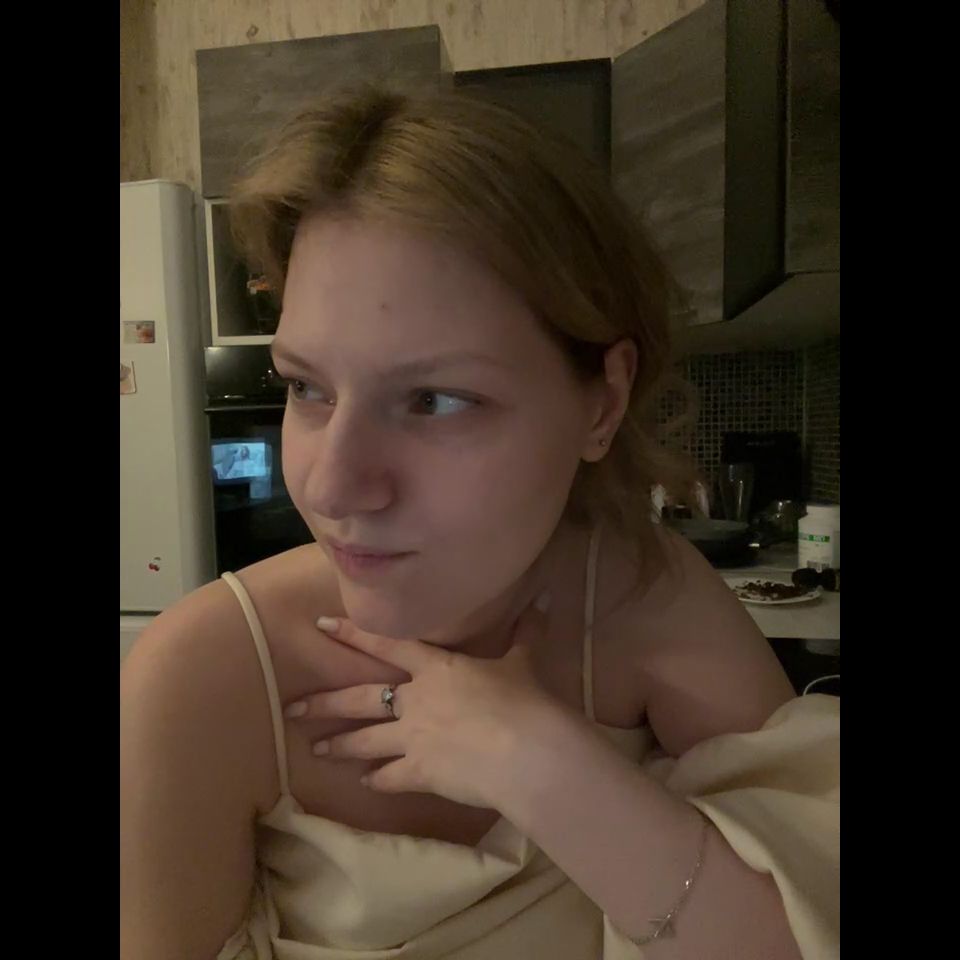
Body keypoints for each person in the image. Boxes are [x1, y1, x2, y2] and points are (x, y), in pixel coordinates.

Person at [120, 86, 839, 960]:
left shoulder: (643, 599)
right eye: (306, 387)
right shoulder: (204, 676)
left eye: (435, 399)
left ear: (602, 404)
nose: (334, 487)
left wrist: (534, 762)